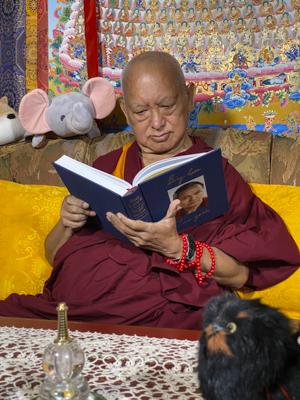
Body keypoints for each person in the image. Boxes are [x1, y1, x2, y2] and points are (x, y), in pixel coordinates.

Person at [0, 51, 299, 329]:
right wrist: (67, 223)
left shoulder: (216, 175)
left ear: (189, 98)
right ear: (126, 112)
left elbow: (240, 274)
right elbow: (55, 256)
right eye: (141, 111)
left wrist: (176, 247)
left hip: (160, 319)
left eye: (167, 106)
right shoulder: (106, 168)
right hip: (70, 313)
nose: (157, 123)